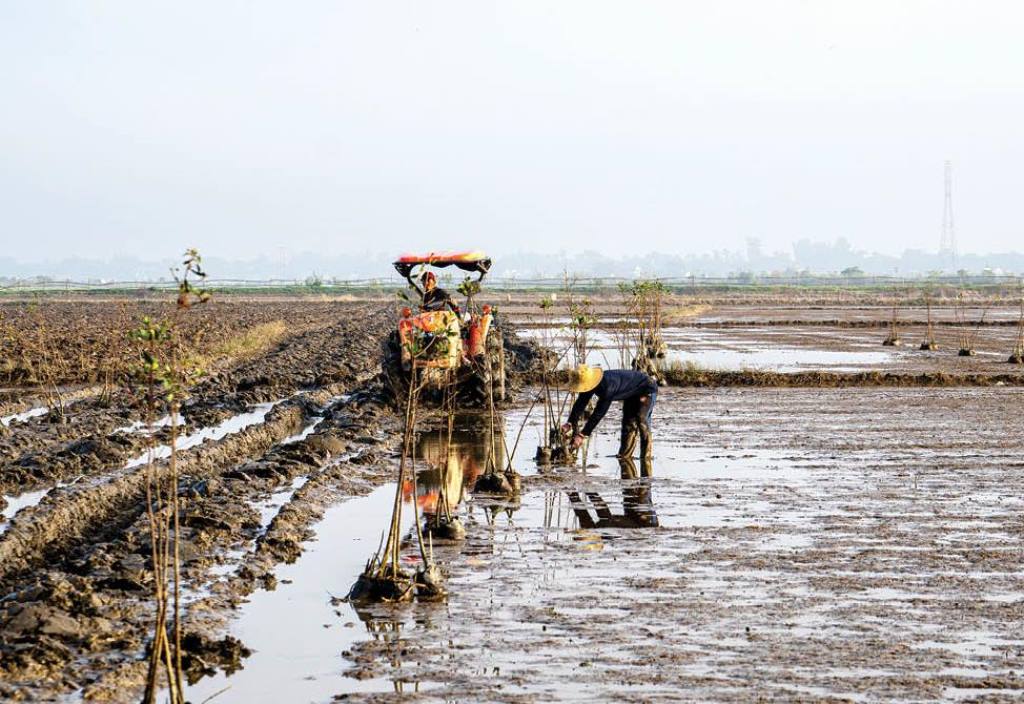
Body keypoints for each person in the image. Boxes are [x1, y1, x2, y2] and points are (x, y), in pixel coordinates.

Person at [561, 365, 657, 459]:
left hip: (646, 388)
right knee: (628, 423)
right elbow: (580, 403)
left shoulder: (607, 387)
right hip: (631, 393)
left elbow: (598, 414)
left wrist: (583, 434)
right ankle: (625, 456)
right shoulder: (589, 384)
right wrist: (570, 422)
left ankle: (646, 458)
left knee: (641, 419)